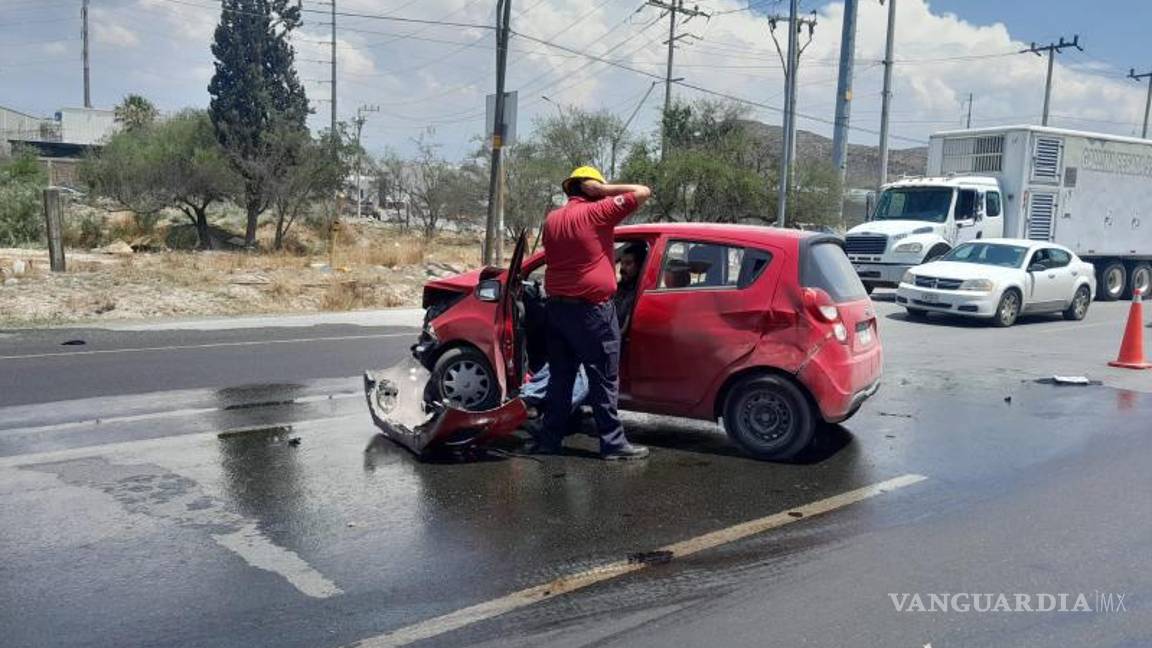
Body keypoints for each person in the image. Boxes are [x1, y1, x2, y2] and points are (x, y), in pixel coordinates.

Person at [534, 166, 652, 460]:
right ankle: (613, 444)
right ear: (591, 189)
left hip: (557, 311)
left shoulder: (552, 219)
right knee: (603, 379)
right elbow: (642, 192)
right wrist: (605, 191)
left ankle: (549, 440)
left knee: (560, 379)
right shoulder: (597, 212)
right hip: (592, 312)